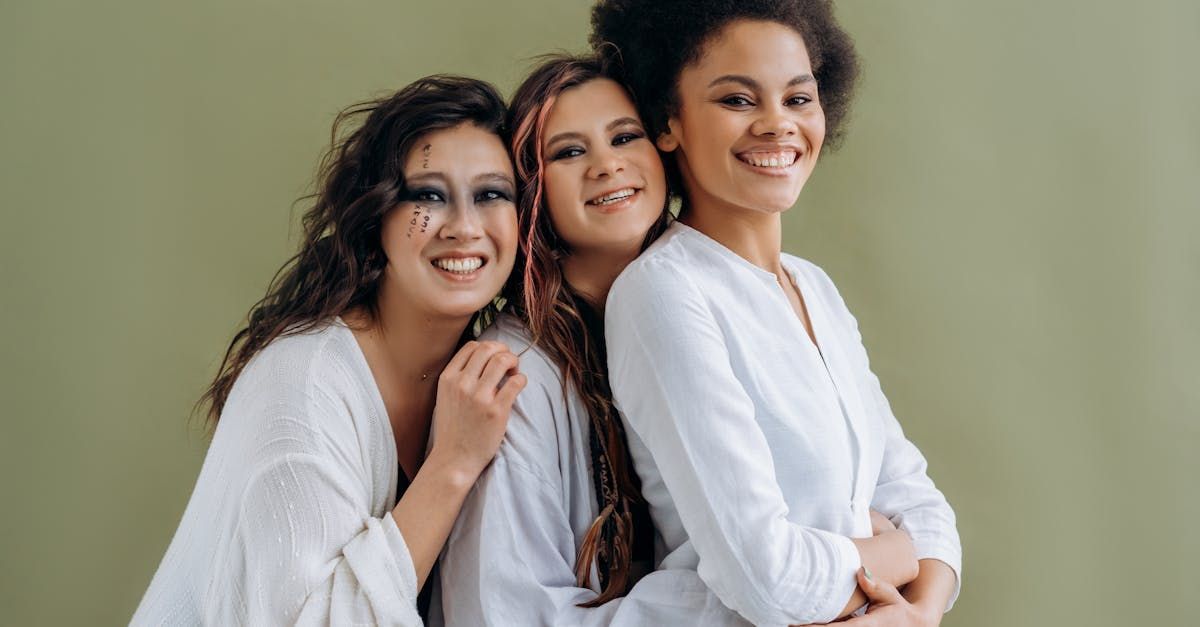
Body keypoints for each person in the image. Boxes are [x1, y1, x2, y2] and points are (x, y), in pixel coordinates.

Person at [592, 1, 963, 625]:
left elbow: (918, 501)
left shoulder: (815, 288)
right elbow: (764, 577)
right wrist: (897, 551)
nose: (777, 125)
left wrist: (916, 616)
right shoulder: (663, 293)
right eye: (738, 100)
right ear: (666, 120)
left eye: (798, 99)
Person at [132, 75, 526, 626]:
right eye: (428, 195)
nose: (464, 226)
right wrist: (453, 464)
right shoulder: (303, 384)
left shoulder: (478, 374)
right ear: (378, 217)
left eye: (491, 195)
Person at [436, 55, 745, 626]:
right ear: (531, 190)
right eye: (570, 152)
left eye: (624, 137)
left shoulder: (719, 308)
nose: (607, 165)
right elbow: (509, 614)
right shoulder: (514, 376)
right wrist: (775, 600)